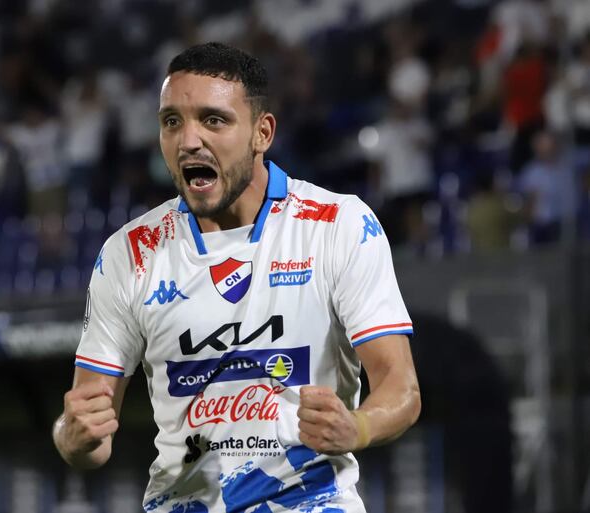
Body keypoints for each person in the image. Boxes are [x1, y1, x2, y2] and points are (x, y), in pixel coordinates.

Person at [53, 42, 421, 513]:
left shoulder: (338, 226)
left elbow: (401, 386)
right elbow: (88, 434)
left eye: (213, 120)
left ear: (261, 133)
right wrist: (72, 436)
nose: (188, 140)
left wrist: (359, 427)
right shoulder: (129, 253)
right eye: (172, 122)